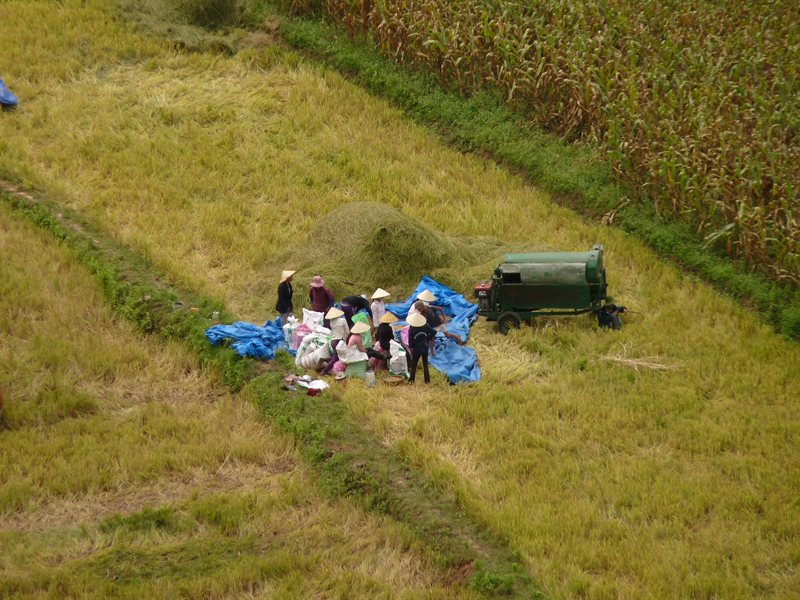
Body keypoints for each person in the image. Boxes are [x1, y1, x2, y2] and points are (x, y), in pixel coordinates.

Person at [407, 312, 436, 384]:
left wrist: (411, 348)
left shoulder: (412, 329)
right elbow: (434, 332)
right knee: (425, 364)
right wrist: (427, 339)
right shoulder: (425, 326)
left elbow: (410, 342)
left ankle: (411, 380)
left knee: (414, 365)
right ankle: (427, 381)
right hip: (425, 347)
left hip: (416, 349)